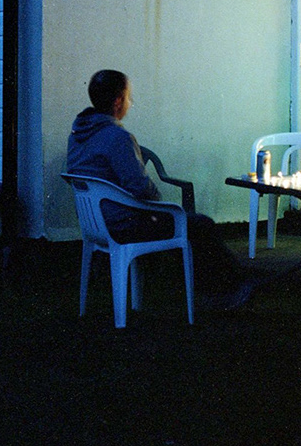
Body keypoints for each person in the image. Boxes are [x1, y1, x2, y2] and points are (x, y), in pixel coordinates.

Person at [66, 69, 254, 309]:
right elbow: (140, 187)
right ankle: (229, 290)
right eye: (129, 97)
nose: (130, 103)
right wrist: (161, 204)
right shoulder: (117, 137)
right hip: (124, 224)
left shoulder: (78, 134)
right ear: (118, 102)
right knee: (199, 224)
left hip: (95, 224)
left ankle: (213, 288)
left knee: (185, 224)